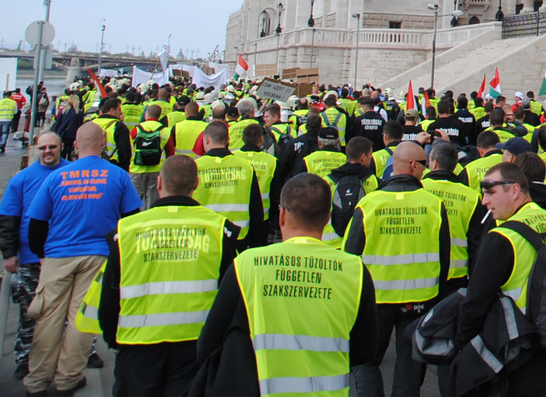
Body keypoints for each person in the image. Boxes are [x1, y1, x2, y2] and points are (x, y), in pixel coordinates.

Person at [192, 173, 379, 397]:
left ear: (282, 215)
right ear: (328, 217)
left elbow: (207, 346)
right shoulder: (355, 271)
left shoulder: (247, 264)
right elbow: (364, 350)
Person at [77, 154, 239, 397]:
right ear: (196, 185)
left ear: (160, 184)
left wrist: (114, 340)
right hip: (194, 346)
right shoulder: (219, 230)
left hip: (137, 347)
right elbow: (230, 300)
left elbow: (110, 295)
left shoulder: (127, 231)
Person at [22, 121, 143, 396]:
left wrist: (42, 254)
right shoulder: (119, 176)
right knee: (81, 319)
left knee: (48, 317)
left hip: (58, 254)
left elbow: (37, 222)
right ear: (102, 143)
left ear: (74, 146)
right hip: (99, 255)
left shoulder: (56, 178)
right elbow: (132, 220)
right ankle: (68, 378)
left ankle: (38, 380)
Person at [341, 140, 449, 397]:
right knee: (410, 361)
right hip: (420, 299)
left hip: (375, 301)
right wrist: (437, 294)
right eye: (423, 164)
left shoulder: (369, 204)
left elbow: (350, 255)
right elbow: (444, 257)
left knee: (366, 359)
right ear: (413, 166)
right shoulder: (433, 205)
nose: (426, 169)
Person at [454, 162, 546, 396]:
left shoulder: (502, 237)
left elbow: (476, 301)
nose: (484, 201)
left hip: (515, 353)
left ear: (515, 190)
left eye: (490, 192)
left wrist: (459, 346)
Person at [0, 133, 68, 379]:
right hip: (29, 259)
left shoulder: (73, 173)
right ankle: (24, 356)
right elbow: (7, 218)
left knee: (70, 313)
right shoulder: (22, 180)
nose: (47, 151)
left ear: (61, 147)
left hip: (64, 257)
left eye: (52, 147)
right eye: (43, 147)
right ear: (37, 149)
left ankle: (74, 357)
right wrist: (9, 254)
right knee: (29, 312)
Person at [419, 140, 486, 290]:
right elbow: (475, 244)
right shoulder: (472, 197)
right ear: (455, 165)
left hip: (423, 273)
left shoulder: (419, 190)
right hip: (457, 276)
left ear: (434, 163)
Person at [194, 122, 266, 247]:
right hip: (238, 234)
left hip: (205, 235)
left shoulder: (196, 167)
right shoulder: (245, 167)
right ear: (228, 139)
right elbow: (256, 207)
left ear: (206, 140)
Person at [128, 105, 176, 208]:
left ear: (147, 114)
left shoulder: (137, 129)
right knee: (152, 200)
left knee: (135, 200)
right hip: (156, 169)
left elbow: (128, 146)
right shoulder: (165, 131)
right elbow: (170, 153)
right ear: (159, 116)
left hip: (137, 169)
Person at [92, 96, 134, 171]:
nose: (121, 112)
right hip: (113, 167)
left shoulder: (91, 123)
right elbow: (124, 153)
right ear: (112, 110)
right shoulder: (119, 126)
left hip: (92, 167)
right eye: (119, 109)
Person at [0, 90, 18, 154]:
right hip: (8, 120)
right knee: (5, 133)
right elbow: (15, 112)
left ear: (4, 96)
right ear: (10, 96)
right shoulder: (13, 102)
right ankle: (2, 145)